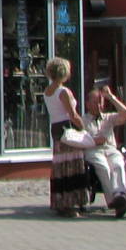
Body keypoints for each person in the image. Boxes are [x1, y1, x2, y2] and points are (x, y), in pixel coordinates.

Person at [43, 56, 92, 217]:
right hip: (68, 129)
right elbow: (72, 114)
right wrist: (85, 128)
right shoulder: (63, 91)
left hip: (56, 129)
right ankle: (71, 203)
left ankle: (60, 202)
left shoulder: (47, 91)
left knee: (60, 166)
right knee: (72, 165)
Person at [83, 78, 126, 216]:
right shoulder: (83, 120)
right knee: (103, 167)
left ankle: (120, 195)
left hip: (110, 148)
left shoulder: (108, 117)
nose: (99, 105)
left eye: (101, 102)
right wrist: (93, 140)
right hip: (93, 150)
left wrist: (110, 97)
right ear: (87, 104)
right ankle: (113, 201)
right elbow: (79, 139)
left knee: (118, 164)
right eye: (95, 102)